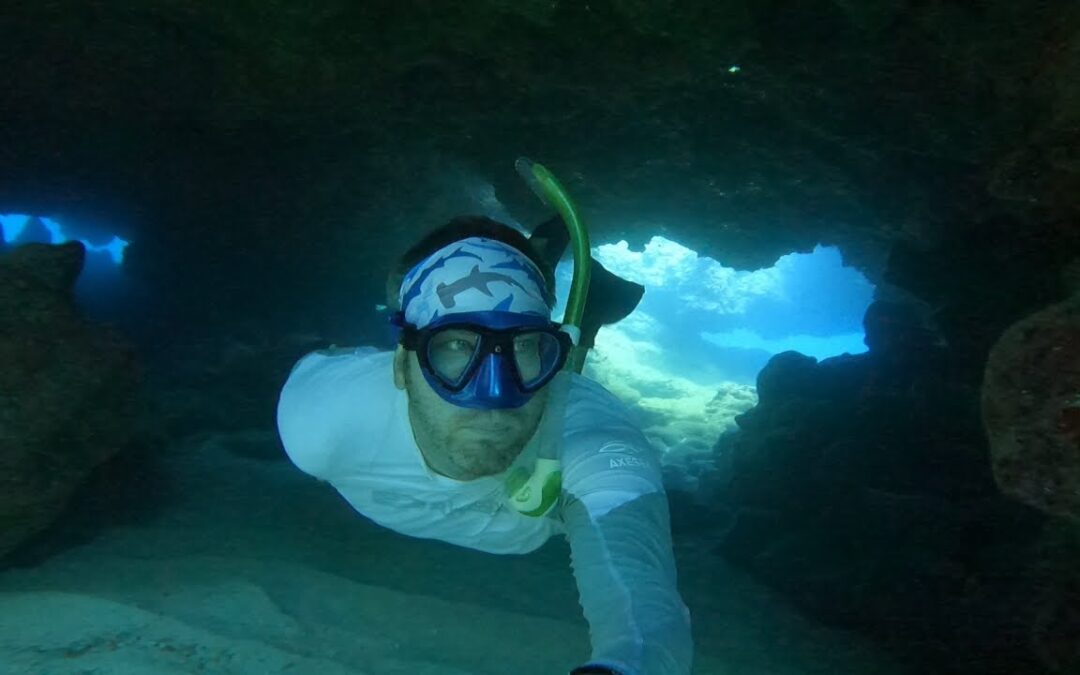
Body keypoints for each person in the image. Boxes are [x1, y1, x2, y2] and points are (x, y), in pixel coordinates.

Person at [276, 215, 693, 675]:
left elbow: (641, 593)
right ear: (399, 366)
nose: (496, 396)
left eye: (527, 346)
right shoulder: (322, 419)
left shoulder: (592, 436)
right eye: (454, 345)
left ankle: (564, 311)